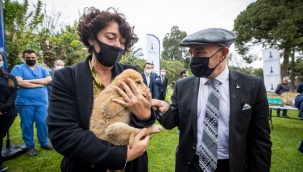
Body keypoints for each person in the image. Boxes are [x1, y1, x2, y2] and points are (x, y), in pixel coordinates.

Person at [46, 7, 157, 172]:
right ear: (91, 39)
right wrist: (122, 155)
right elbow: (64, 135)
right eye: (110, 37)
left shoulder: (129, 72)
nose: (117, 46)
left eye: (123, 42)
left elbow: (144, 116)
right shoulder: (67, 78)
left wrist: (145, 115)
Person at [152, 28, 272, 172]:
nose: (194, 59)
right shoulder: (182, 86)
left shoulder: (252, 85)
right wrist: (165, 111)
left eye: (200, 53)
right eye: (191, 53)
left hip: (232, 166)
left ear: (223, 53)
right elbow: (174, 120)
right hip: (192, 165)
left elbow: (260, 139)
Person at [10, 49, 53, 156]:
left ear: (36, 58)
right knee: (27, 125)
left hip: (42, 102)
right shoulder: (18, 68)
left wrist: (27, 81)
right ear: (23, 58)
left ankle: (44, 142)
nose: (31, 60)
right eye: (28, 58)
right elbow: (19, 82)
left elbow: (48, 80)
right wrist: (39, 84)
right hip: (25, 102)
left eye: (33, 58)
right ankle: (29, 146)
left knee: (43, 123)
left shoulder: (42, 69)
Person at [0, 53, 18, 172]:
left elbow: (14, 93)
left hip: (7, 113)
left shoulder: (9, 77)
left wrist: (3, 109)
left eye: (0, 59)